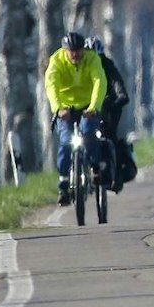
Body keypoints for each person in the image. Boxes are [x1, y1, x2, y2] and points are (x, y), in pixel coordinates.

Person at [45, 30, 107, 205]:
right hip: (65, 109)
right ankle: (63, 183)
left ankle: (95, 167)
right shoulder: (56, 61)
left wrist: (94, 106)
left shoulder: (92, 58)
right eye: (71, 51)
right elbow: (51, 85)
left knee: (88, 134)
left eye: (78, 51)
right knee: (65, 142)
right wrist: (58, 108)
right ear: (65, 50)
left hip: (87, 107)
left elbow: (99, 82)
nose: (75, 55)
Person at [88, 37, 134, 191]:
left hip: (107, 109)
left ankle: (117, 174)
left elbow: (117, 84)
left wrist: (119, 97)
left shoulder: (108, 66)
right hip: (86, 110)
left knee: (111, 136)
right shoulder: (83, 68)